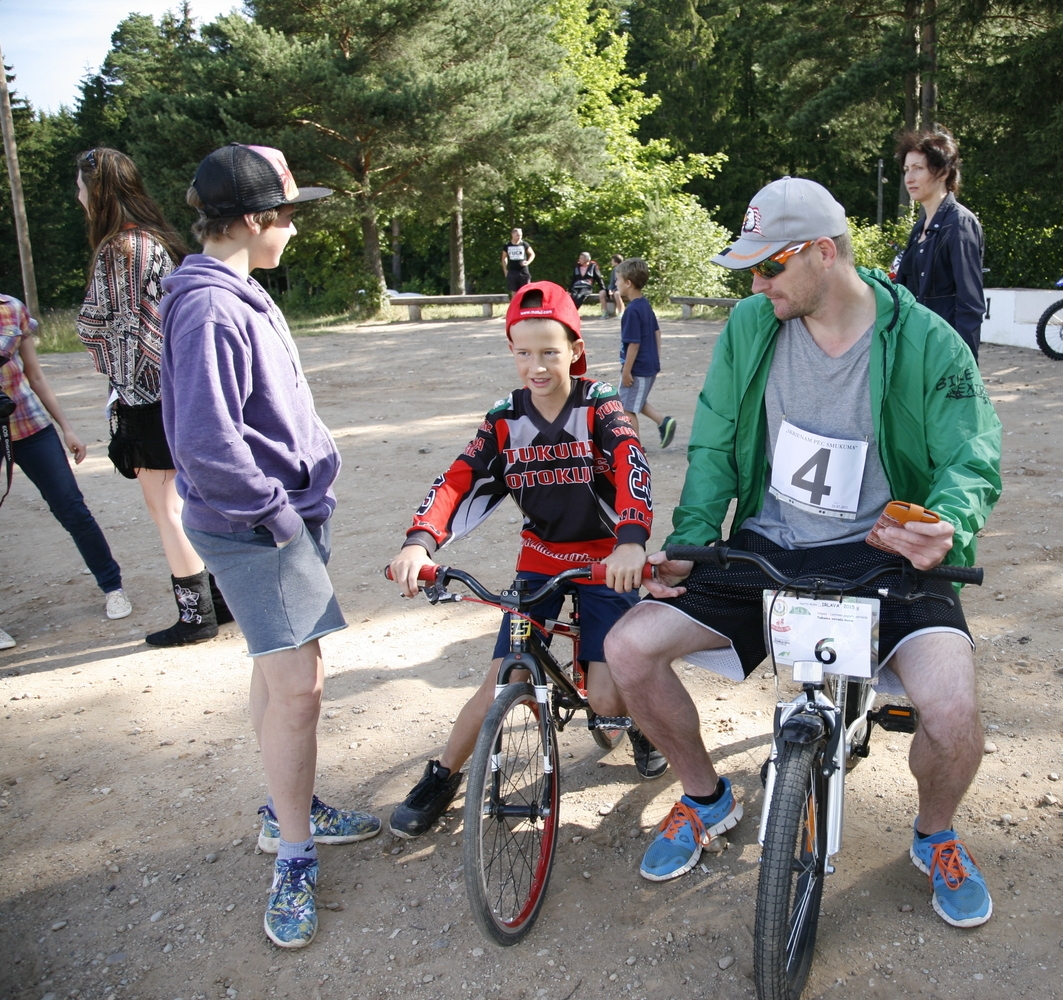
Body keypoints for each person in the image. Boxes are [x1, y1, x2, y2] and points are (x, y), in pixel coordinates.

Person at [603, 177, 1004, 928]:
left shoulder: (925, 339)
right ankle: (704, 798)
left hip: (880, 554)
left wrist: (947, 519)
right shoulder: (754, 326)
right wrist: (691, 541)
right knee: (628, 650)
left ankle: (935, 833)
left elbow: (970, 453)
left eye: (770, 267)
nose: (756, 285)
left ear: (824, 252)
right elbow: (716, 441)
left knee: (951, 711)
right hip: (768, 545)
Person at [160, 143, 381, 950]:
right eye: (287, 214)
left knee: (273, 665)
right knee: (300, 688)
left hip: (278, 515)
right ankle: (294, 851)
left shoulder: (235, 291)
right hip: (260, 526)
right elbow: (205, 443)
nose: (293, 228)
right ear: (255, 219)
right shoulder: (211, 305)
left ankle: (286, 809)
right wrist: (279, 517)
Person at [385, 281, 664, 836]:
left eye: (550, 352)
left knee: (608, 696)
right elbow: (457, 480)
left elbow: (634, 466)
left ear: (575, 350)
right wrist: (420, 540)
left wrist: (633, 538)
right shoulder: (503, 419)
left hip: (608, 559)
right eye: (523, 352)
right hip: (540, 558)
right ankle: (442, 776)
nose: (536, 366)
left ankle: (640, 725)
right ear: (511, 351)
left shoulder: (601, 404)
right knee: (499, 679)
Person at [74, 146, 234, 646]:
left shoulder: (120, 249)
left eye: (80, 187)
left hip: (147, 394)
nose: (77, 196)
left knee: (166, 507)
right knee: (185, 500)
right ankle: (220, 601)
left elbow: (127, 331)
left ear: (97, 191)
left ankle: (196, 615)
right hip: (171, 387)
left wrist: (124, 390)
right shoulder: (154, 239)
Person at [0, 293, 133, 629]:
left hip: (30, 425)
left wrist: (67, 428)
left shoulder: (11, 309)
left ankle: (113, 588)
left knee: (72, 508)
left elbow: (36, 375)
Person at [893, 126, 986, 359]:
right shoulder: (920, 227)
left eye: (918, 168)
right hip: (918, 348)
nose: (909, 178)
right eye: (906, 170)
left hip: (944, 352)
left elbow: (970, 304)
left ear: (943, 172)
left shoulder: (959, 224)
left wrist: (963, 366)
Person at [615, 257, 677, 448]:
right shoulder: (644, 304)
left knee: (626, 408)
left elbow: (633, 344)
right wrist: (655, 359)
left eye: (617, 280)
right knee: (634, 400)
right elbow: (657, 332)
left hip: (637, 369)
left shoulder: (632, 311)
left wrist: (626, 371)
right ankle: (663, 422)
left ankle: (634, 448)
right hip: (648, 365)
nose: (616, 284)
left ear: (628, 283)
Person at [503, 228, 535, 295]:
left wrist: (528, 262)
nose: (519, 237)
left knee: (526, 292)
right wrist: (505, 270)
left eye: (521, 235)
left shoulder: (524, 244)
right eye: (517, 235)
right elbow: (504, 258)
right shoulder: (507, 245)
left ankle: (526, 305)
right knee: (514, 293)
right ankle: (514, 305)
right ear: (512, 235)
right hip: (512, 272)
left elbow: (532, 254)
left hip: (523, 272)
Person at [606, 252, 625, 316]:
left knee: (617, 294)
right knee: (603, 293)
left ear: (616, 262)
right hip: (616, 288)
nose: (611, 262)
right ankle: (605, 312)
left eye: (612, 261)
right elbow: (612, 282)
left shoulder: (624, 270)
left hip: (623, 287)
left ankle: (621, 312)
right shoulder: (614, 270)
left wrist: (615, 290)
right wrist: (610, 289)